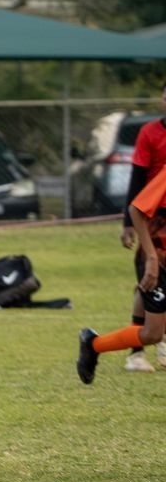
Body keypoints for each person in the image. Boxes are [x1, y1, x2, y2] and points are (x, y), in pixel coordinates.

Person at [78, 164, 166, 384]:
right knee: (152, 334)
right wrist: (152, 259)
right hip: (157, 261)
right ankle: (93, 345)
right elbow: (136, 210)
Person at [117, 84, 166, 372]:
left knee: (153, 285)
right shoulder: (149, 133)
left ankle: (159, 345)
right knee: (150, 282)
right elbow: (136, 180)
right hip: (153, 216)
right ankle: (136, 352)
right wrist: (127, 224)